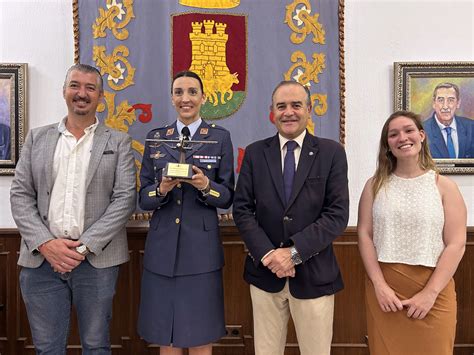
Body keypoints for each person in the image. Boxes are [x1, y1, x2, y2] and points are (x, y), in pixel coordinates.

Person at [10, 63, 137, 354]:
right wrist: (46, 244)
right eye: (75, 86)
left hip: (95, 262)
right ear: (64, 91)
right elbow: (20, 195)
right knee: (48, 349)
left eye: (90, 88)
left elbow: (125, 200)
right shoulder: (36, 138)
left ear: (101, 97)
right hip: (41, 263)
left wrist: (82, 248)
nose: (82, 93)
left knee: (96, 347)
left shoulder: (118, 142)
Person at [233, 81, 349, 355]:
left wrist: (293, 254)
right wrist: (269, 256)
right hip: (265, 274)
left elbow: (337, 214)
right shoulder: (255, 153)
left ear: (309, 110)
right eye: (281, 106)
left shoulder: (331, 152)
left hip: (314, 275)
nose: (288, 112)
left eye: (296, 105)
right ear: (271, 112)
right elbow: (242, 209)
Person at [137, 71, 234, 355]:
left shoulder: (219, 138)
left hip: (201, 252)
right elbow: (143, 198)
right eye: (179, 92)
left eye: (192, 92)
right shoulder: (156, 139)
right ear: (172, 98)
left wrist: (206, 186)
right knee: (166, 334)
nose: (185, 98)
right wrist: (162, 190)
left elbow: (227, 197)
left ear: (203, 98)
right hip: (162, 249)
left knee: (200, 332)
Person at [357, 110, 466, 354]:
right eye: (393, 134)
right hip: (385, 293)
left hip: (434, 292)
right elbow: (364, 235)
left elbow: (456, 243)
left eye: (408, 130)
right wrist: (379, 285)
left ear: (422, 135)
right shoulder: (374, 186)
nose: (402, 138)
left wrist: (430, 293)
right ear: (388, 144)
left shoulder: (445, 187)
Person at [423, 82, 474, 158]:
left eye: (451, 100)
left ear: (458, 103)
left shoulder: (471, 127)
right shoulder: (422, 129)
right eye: (440, 100)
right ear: (434, 103)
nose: (445, 106)